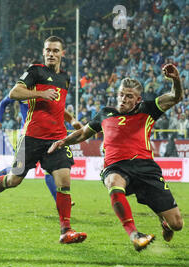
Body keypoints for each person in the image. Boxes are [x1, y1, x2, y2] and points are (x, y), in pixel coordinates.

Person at [48, 64, 184, 251]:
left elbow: (176, 97)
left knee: (177, 224)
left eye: (129, 96)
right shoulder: (105, 114)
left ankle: (165, 223)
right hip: (116, 166)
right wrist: (62, 141)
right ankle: (135, 235)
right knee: (113, 182)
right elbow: (82, 134)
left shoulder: (148, 109)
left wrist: (176, 80)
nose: (123, 99)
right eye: (121, 94)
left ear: (138, 99)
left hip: (146, 168)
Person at [0, 36, 87, 244]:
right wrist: (40, 92)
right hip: (31, 138)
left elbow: (57, 106)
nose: (51, 54)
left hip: (56, 139)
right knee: (13, 180)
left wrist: (73, 120)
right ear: (43, 52)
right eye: (48, 50)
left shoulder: (65, 78)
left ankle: (66, 230)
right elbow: (14, 93)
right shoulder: (35, 71)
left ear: (62, 53)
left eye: (56, 51)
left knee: (64, 180)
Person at [0, 93, 81, 207]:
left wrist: (71, 120)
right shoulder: (24, 89)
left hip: (46, 136)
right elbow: (4, 102)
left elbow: (57, 107)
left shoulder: (46, 89)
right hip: (27, 137)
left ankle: (60, 202)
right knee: (16, 173)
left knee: (48, 170)